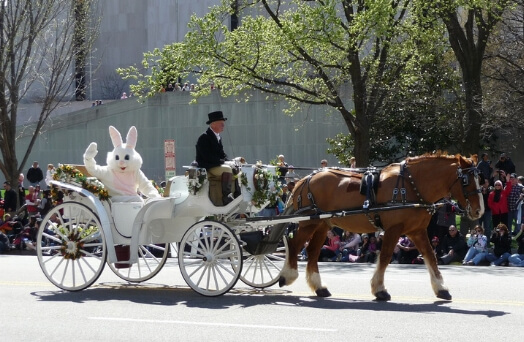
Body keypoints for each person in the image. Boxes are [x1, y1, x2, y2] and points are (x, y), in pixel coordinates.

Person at [195, 111, 238, 206]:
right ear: (213, 124)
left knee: (236, 167)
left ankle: (237, 193)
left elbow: (222, 154)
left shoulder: (218, 137)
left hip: (216, 164)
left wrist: (230, 161)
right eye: (221, 123)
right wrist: (223, 162)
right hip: (208, 166)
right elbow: (207, 157)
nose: (223, 125)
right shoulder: (204, 137)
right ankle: (226, 196)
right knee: (227, 169)